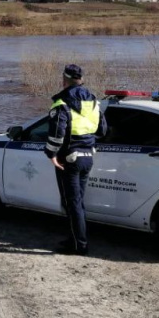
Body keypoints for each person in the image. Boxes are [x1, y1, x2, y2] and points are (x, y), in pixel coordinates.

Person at [44, 64, 107, 256]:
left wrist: (51, 154)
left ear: (64, 80)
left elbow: (57, 133)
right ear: (81, 79)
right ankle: (75, 239)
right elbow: (102, 130)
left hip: (69, 159)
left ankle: (80, 245)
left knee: (71, 203)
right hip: (88, 157)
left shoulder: (61, 102)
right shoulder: (94, 102)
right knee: (77, 202)